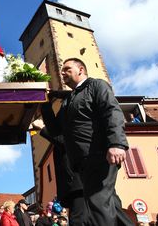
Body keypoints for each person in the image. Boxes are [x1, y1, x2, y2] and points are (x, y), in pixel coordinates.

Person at [50, 57, 133, 226]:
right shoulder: (68, 100)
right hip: (82, 161)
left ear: (81, 69)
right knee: (108, 204)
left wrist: (117, 143)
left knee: (98, 202)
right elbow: (56, 130)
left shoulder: (96, 85)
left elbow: (112, 112)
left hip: (99, 154)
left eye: (67, 69)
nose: (62, 73)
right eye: (62, 70)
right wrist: (44, 102)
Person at [38, 104, 88, 226]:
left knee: (78, 220)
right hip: (76, 184)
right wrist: (44, 102)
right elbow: (54, 127)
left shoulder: (76, 120)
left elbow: (65, 143)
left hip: (78, 183)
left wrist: (43, 128)